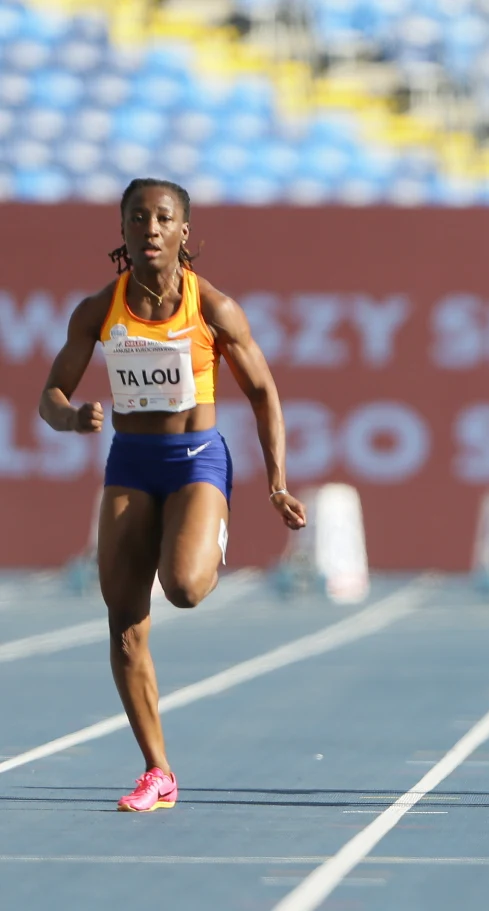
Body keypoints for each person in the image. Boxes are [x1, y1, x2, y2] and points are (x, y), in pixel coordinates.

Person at [38, 178, 307, 811]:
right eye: (138, 218)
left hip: (194, 462)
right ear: (123, 231)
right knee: (124, 624)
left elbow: (263, 391)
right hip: (130, 465)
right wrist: (72, 418)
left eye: (164, 219)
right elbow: (50, 395)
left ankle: (207, 531)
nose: (151, 229)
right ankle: (158, 771)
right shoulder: (98, 311)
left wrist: (275, 481)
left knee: (184, 588)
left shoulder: (213, 307)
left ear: (185, 233)